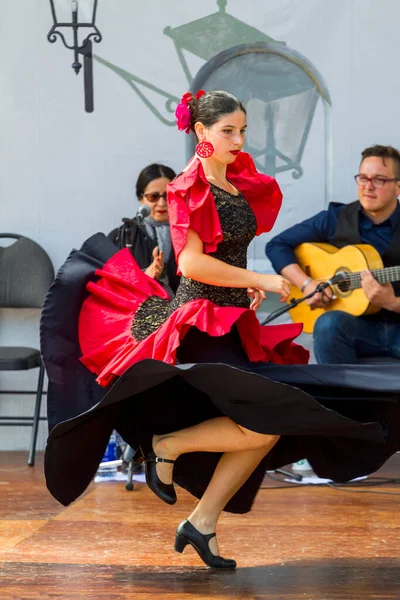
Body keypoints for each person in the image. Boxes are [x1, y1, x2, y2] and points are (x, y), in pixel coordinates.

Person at [43, 93, 400, 570]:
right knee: (263, 422)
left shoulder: (231, 179)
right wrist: (261, 280)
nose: (239, 139)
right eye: (228, 130)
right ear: (201, 133)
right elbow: (190, 262)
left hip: (233, 316)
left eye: (243, 130)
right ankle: (165, 447)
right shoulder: (187, 185)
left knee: (267, 427)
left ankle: (202, 523)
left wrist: (244, 286)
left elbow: (225, 253)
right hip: (201, 321)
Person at [265, 145, 400, 364]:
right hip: (356, 326)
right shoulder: (335, 218)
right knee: (328, 324)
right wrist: (307, 283)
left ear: (398, 187)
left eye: (379, 180)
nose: (368, 187)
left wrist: (392, 302)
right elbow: (277, 245)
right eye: (363, 178)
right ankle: (339, 395)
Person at [108, 163, 180, 295]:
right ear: (141, 198)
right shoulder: (123, 235)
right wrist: (145, 276)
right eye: (153, 197)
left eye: (168, 195)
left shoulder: (190, 233)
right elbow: (111, 285)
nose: (162, 203)